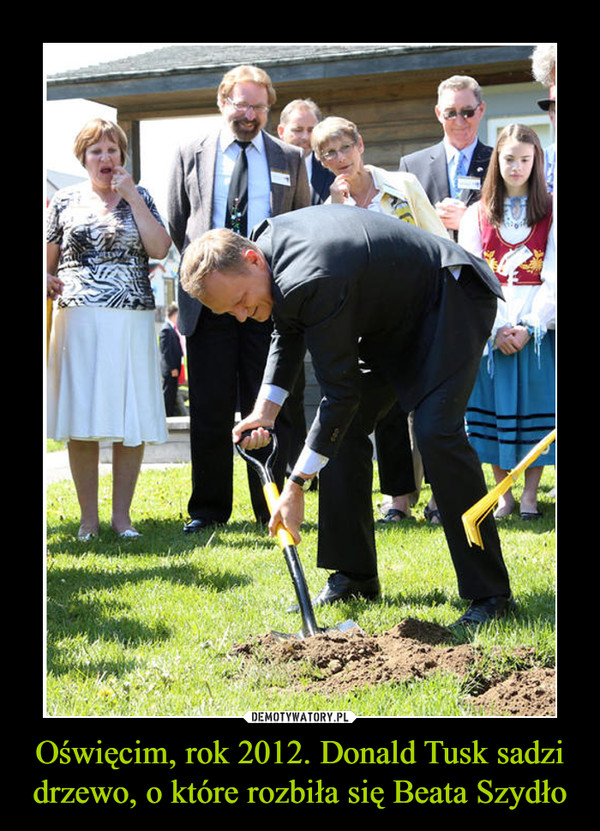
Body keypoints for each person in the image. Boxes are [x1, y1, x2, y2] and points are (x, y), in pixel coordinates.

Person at [179, 206, 513, 627]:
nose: (244, 316)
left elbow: (340, 394)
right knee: (346, 431)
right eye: (234, 313)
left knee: (435, 433)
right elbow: (288, 327)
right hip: (396, 322)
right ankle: (354, 575)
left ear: (251, 260)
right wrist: (264, 410)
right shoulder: (270, 253)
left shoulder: (311, 275)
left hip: (452, 300)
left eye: (243, 302)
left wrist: (297, 484)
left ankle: (491, 594)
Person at [167, 65, 311, 532]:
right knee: (208, 406)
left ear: (269, 108)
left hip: (266, 297)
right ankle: (208, 511)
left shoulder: (289, 156)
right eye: (240, 103)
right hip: (209, 302)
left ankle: (268, 504)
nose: (248, 114)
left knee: (270, 404)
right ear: (222, 101)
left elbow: (301, 222)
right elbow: (177, 221)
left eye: (258, 106)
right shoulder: (191, 152)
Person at [311, 116, 448, 523]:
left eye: (344, 148)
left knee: (431, 409)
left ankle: (441, 497)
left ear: (361, 145)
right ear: (321, 161)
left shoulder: (401, 186)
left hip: (420, 309)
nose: (339, 158)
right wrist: (336, 209)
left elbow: (436, 236)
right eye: (328, 153)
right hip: (368, 321)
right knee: (387, 415)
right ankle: (398, 499)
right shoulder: (327, 207)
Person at [47, 118, 171, 540]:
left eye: (113, 150)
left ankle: (122, 519)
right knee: (82, 414)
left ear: (122, 157)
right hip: (78, 319)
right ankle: (88, 520)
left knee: (128, 412)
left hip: (131, 317)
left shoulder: (142, 196)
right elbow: (46, 264)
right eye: (96, 151)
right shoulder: (63, 201)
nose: (106, 157)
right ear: (83, 157)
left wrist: (132, 196)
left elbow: (159, 248)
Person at [459, 124, 555, 519]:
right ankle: (503, 493)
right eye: (509, 159)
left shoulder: (550, 211)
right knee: (493, 408)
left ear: (537, 163)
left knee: (534, 405)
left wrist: (530, 325)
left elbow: (555, 273)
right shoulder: (475, 215)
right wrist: (496, 326)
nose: (516, 167)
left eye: (525, 160)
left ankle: (530, 493)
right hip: (491, 327)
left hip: (535, 328)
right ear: (497, 162)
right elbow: (472, 273)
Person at [399, 75, 492, 239]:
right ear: (438, 113)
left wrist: (472, 220)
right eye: (450, 113)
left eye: (467, 112)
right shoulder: (412, 166)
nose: (459, 121)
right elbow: (402, 226)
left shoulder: (498, 163)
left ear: (481, 110)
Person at [277, 99, 335, 204]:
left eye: (311, 130)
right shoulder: (268, 165)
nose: (305, 137)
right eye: (297, 130)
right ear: (281, 132)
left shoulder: (331, 169)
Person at [159, 303, 185, 416]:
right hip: (171, 370)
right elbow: (166, 351)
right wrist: (172, 367)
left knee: (173, 393)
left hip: (175, 368)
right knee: (168, 394)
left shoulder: (171, 329)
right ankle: (166, 415)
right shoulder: (166, 330)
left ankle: (171, 413)